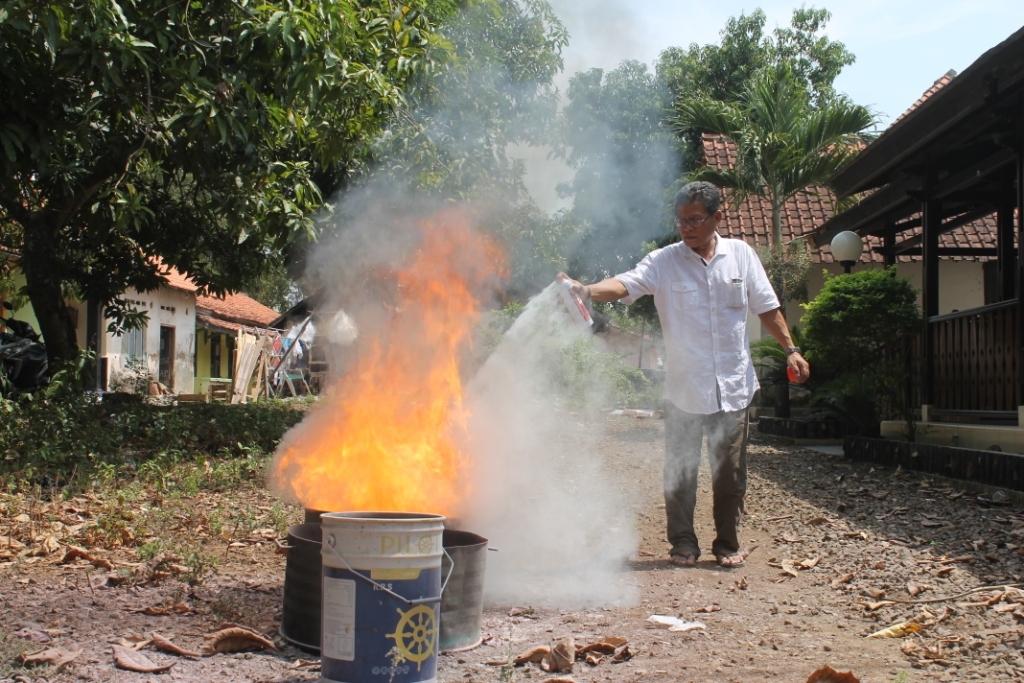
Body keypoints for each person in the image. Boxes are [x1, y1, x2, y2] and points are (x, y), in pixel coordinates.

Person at [561, 181, 809, 568]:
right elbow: (626, 283)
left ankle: (727, 543)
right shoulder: (663, 261)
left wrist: (790, 349)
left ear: (717, 218)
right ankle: (682, 543)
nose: (687, 227)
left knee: (730, 473)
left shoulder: (741, 256)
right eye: (681, 221)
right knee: (680, 469)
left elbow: (767, 307)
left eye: (695, 219)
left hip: (733, 386)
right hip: (683, 389)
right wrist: (588, 289)